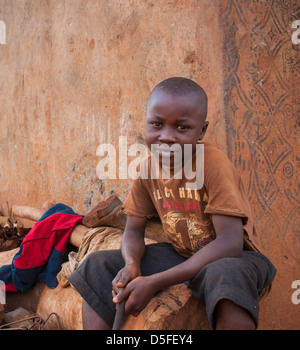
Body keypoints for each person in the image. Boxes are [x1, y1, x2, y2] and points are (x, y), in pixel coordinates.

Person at [69, 77, 276, 330]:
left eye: (182, 128)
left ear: (201, 131)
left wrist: (154, 282)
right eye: (156, 124)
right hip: (182, 256)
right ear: (145, 122)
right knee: (97, 266)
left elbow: (230, 243)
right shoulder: (147, 169)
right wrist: (132, 264)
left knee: (226, 274)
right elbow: (133, 230)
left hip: (236, 258)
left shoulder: (212, 164)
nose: (166, 137)